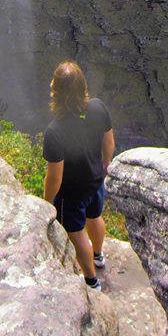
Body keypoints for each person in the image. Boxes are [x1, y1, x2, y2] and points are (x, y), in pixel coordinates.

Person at [42, 60, 115, 291]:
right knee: (95, 217)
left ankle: (91, 281)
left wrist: (47, 203)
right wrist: (103, 167)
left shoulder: (55, 131)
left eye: (54, 83)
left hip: (71, 192)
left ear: (58, 93)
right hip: (95, 181)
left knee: (76, 232)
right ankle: (98, 255)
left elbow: (55, 176)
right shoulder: (98, 107)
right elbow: (109, 143)